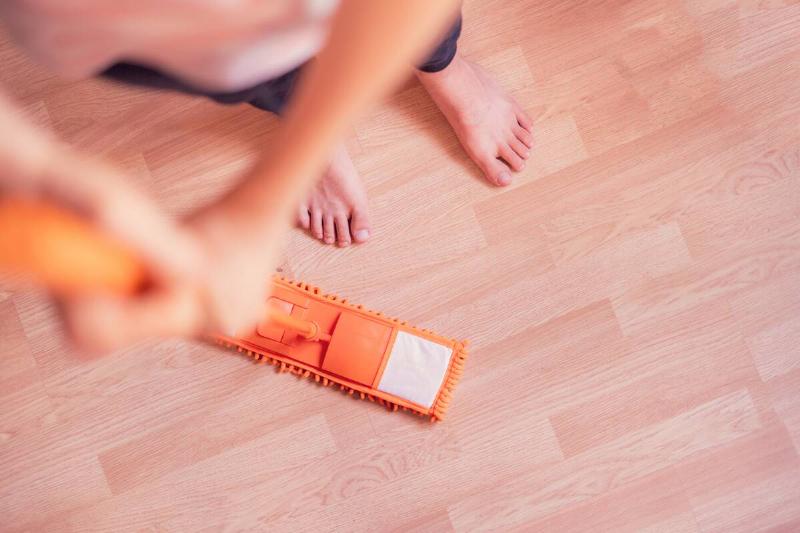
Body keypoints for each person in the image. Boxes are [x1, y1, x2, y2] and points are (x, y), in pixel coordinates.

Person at [0, 0, 532, 349]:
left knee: (408, 21)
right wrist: (40, 169)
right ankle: (300, 112)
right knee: (239, 70)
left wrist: (261, 203)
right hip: (108, 31)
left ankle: (438, 64)